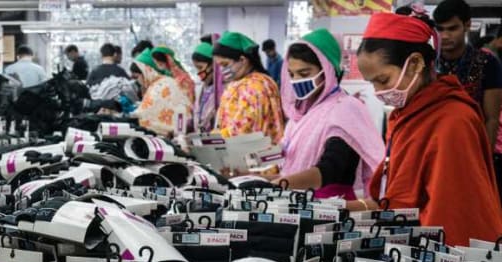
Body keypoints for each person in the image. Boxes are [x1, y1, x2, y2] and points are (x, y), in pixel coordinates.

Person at [352, 11, 502, 245]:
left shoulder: (454, 121)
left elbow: (452, 216)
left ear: (415, 63)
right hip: (406, 240)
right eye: (372, 83)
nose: (378, 92)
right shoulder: (405, 115)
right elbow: (395, 194)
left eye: (383, 80)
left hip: (436, 251)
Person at [272, 29, 385, 200]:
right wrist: (258, 179)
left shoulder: (345, 109)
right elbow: (291, 168)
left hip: (332, 204)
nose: (296, 81)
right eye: (291, 75)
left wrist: (278, 185)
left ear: (327, 70)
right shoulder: (300, 114)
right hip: (296, 198)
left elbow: (331, 169)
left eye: (304, 74)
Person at [433, 0, 502, 149]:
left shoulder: (487, 62)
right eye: (440, 29)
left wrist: (484, 156)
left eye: (452, 28)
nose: (444, 36)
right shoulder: (427, 62)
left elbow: (492, 119)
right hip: (432, 144)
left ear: (467, 25)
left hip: (471, 145)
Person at [213, 32, 285, 144]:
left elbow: (243, 130)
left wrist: (211, 139)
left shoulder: (253, 87)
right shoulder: (254, 81)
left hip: (247, 152)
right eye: (220, 66)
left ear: (242, 60)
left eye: (225, 64)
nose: (222, 70)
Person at [131, 48, 193, 136]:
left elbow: (145, 113)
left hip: (174, 134)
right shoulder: (159, 83)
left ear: (145, 72)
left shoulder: (160, 86)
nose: (137, 81)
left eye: (136, 77)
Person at [192, 41, 217, 133]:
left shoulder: (221, 90)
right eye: (196, 68)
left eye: (200, 67)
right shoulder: (201, 88)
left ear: (213, 65)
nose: (198, 73)